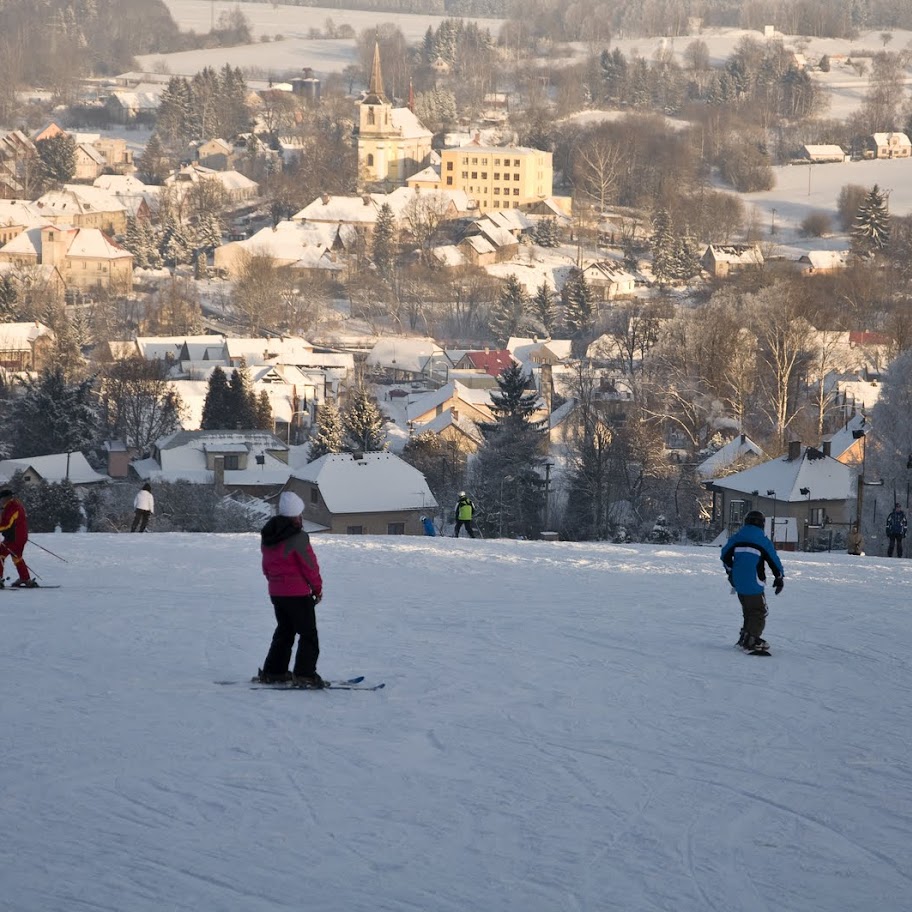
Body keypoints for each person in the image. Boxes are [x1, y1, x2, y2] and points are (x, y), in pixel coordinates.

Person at [257, 491, 324, 687]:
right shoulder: (298, 537)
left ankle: (274, 671)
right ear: (297, 515)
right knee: (308, 634)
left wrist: (275, 583)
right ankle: (305, 674)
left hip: (276, 592)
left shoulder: (268, 534)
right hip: (297, 593)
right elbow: (310, 566)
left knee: (285, 631)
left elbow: (266, 565)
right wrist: (317, 589)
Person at [720, 510, 784, 654]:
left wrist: (731, 572)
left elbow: (724, 556)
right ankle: (751, 640)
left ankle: (745, 636)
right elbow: (774, 560)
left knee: (748, 610)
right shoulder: (762, 541)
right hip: (754, 580)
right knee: (759, 611)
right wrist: (779, 578)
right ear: (762, 524)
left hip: (738, 580)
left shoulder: (737, 538)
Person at [0, 489, 36, 588]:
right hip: (18, 537)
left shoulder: (13, 507)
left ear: (6, 498)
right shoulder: (13, 505)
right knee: (17, 557)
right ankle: (25, 578)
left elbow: (7, 524)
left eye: (1, 499)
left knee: (0, 554)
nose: (1, 501)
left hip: (14, 538)